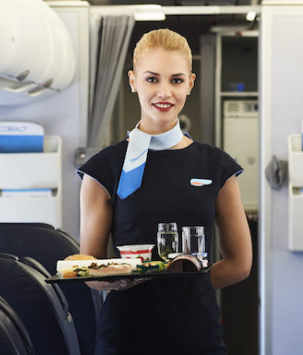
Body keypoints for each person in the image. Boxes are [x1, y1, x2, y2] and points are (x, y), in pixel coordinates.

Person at [78, 28, 252, 354]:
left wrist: (183, 283)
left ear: (190, 82)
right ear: (132, 81)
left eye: (175, 80)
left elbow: (240, 263)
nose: (164, 92)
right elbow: (88, 267)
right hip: (125, 338)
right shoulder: (103, 169)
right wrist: (120, 278)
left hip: (197, 336)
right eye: (151, 79)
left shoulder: (217, 167)